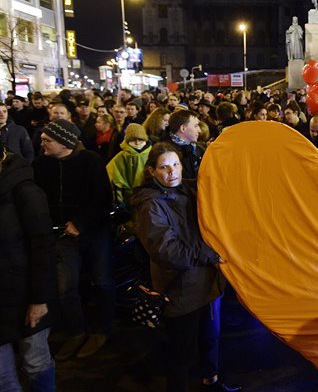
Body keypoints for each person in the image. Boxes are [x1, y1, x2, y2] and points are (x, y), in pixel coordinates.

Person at [132, 143, 241, 392]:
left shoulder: (190, 189)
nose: (172, 171)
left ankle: (211, 381)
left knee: (210, 340)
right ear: (152, 171)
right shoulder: (151, 206)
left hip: (208, 285)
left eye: (175, 164)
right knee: (181, 353)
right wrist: (210, 254)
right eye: (164, 167)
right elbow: (167, 251)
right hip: (180, 292)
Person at [32, 120, 114, 361]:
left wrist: (81, 223)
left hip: (94, 233)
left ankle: (103, 329)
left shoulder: (91, 161)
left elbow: (102, 199)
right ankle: (76, 332)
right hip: (60, 236)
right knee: (65, 288)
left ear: (65, 143)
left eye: (48, 140)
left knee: (103, 282)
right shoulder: (40, 164)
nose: (42, 143)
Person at [0, 142, 58, 391]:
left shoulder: (24, 190)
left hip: (25, 294)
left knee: (35, 362)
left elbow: (43, 247)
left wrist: (39, 300)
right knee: (2, 375)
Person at [106, 123, 152, 209]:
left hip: (149, 196)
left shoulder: (152, 154)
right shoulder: (121, 157)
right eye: (133, 139)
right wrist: (119, 200)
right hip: (128, 198)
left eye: (140, 139)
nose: (137, 142)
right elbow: (114, 179)